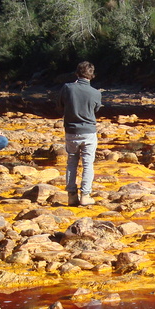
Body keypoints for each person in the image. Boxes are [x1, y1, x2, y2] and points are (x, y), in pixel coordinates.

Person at [56, 61, 102, 206]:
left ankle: (71, 196)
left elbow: (59, 106)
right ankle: (85, 195)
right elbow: (96, 110)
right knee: (88, 164)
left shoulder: (67, 88)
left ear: (77, 73)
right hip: (88, 132)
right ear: (92, 75)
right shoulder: (96, 93)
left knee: (71, 162)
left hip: (71, 131)